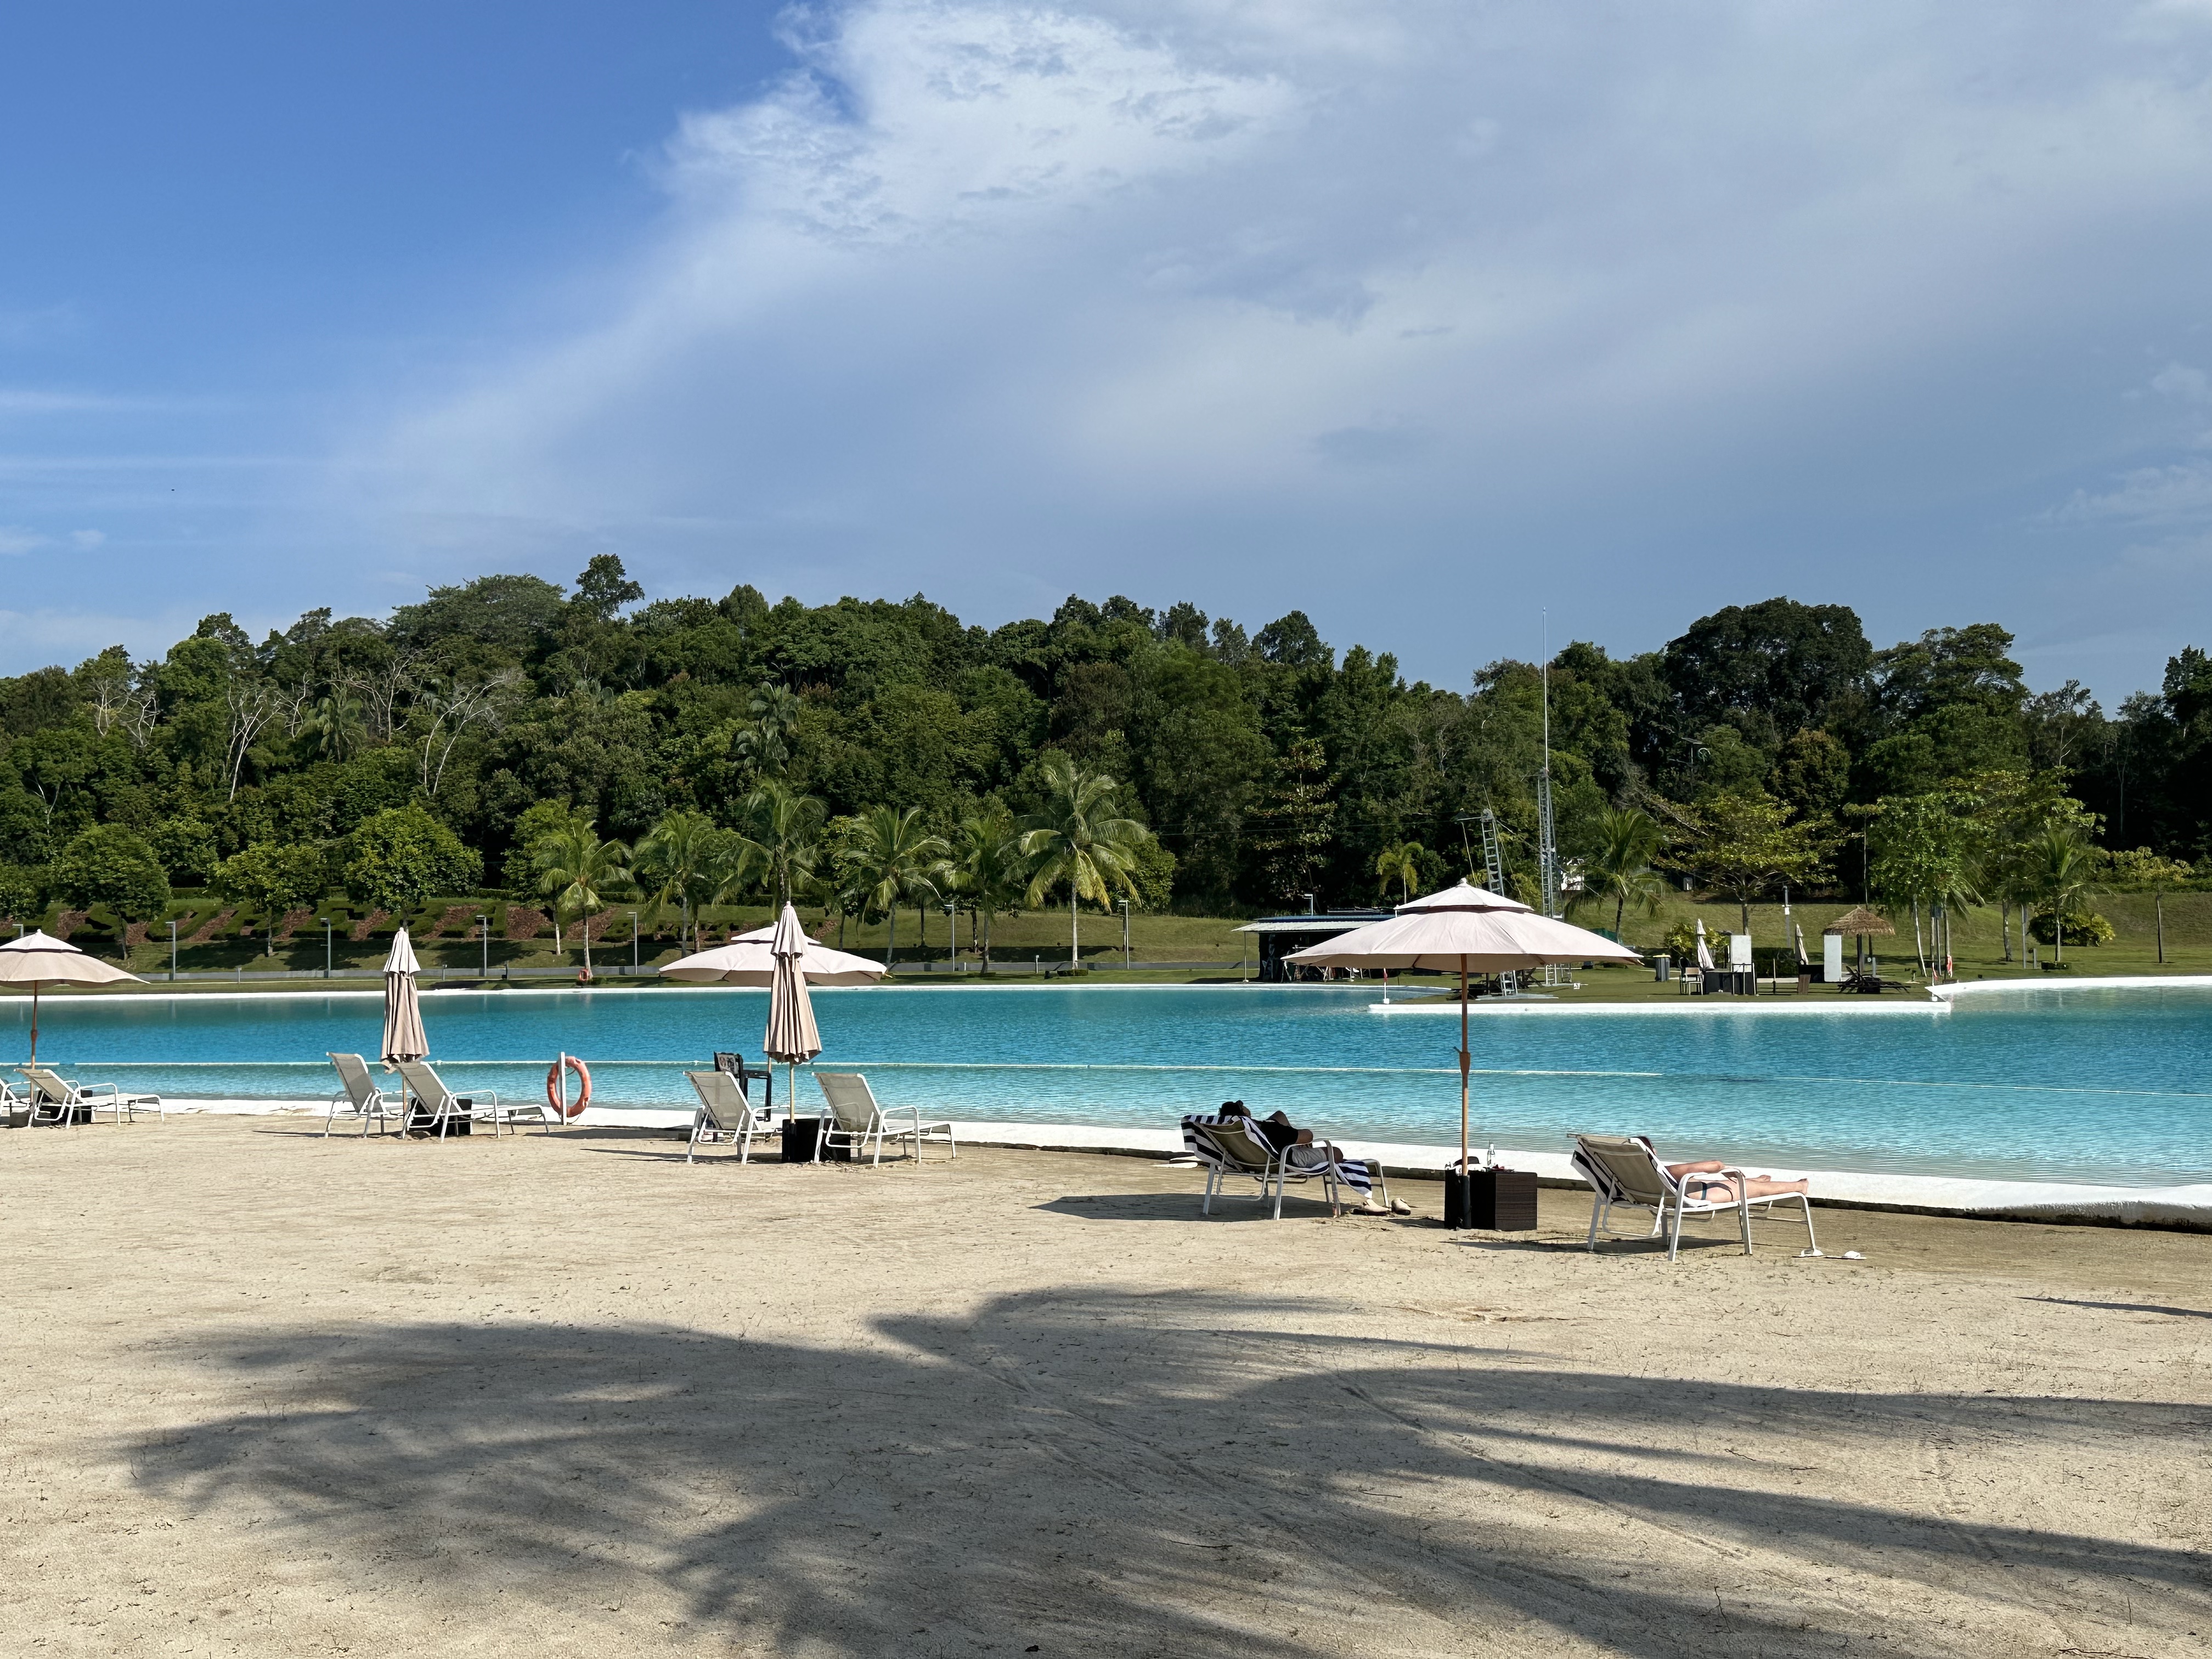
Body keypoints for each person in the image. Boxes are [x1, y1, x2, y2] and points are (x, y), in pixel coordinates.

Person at [1215, 1102, 1410, 1216]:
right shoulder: (1265, 1128)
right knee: (1337, 1153)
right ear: (1244, 1113)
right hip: (1288, 1159)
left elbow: (1279, 1122)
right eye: (1242, 1105)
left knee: (1280, 1115)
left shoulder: (1236, 1131)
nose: (1246, 1105)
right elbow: (1308, 1135)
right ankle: (1366, 1195)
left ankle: (1297, 1142)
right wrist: (1302, 1141)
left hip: (1254, 1161)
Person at [1665, 1158, 1808, 1204]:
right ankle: (1800, 1186)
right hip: (1702, 1196)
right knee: (1755, 1188)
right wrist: (1727, 1169)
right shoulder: (1667, 1170)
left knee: (1693, 1179)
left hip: (1670, 1198)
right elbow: (1716, 1165)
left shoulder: (1647, 1176)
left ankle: (1753, 1181)